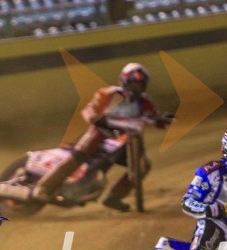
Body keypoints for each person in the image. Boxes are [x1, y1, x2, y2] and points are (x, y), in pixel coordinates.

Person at [32, 62, 173, 211]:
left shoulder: (144, 102)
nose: (135, 88)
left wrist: (163, 119)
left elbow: (155, 118)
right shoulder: (109, 93)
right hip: (101, 135)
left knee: (143, 166)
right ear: (124, 81)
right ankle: (43, 188)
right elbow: (89, 111)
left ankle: (114, 197)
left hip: (127, 141)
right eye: (132, 83)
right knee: (78, 156)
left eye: (139, 85)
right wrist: (98, 119)